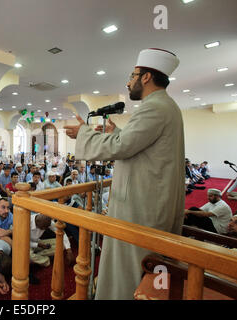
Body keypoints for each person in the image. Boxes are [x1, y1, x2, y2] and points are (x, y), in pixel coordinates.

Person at [64, 48, 184, 300]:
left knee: (130, 268)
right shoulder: (165, 106)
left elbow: (121, 147)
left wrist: (85, 132)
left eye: (132, 75)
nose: (128, 82)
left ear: (146, 77)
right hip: (148, 200)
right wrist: (115, 131)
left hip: (142, 207)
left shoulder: (154, 107)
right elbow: (137, 145)